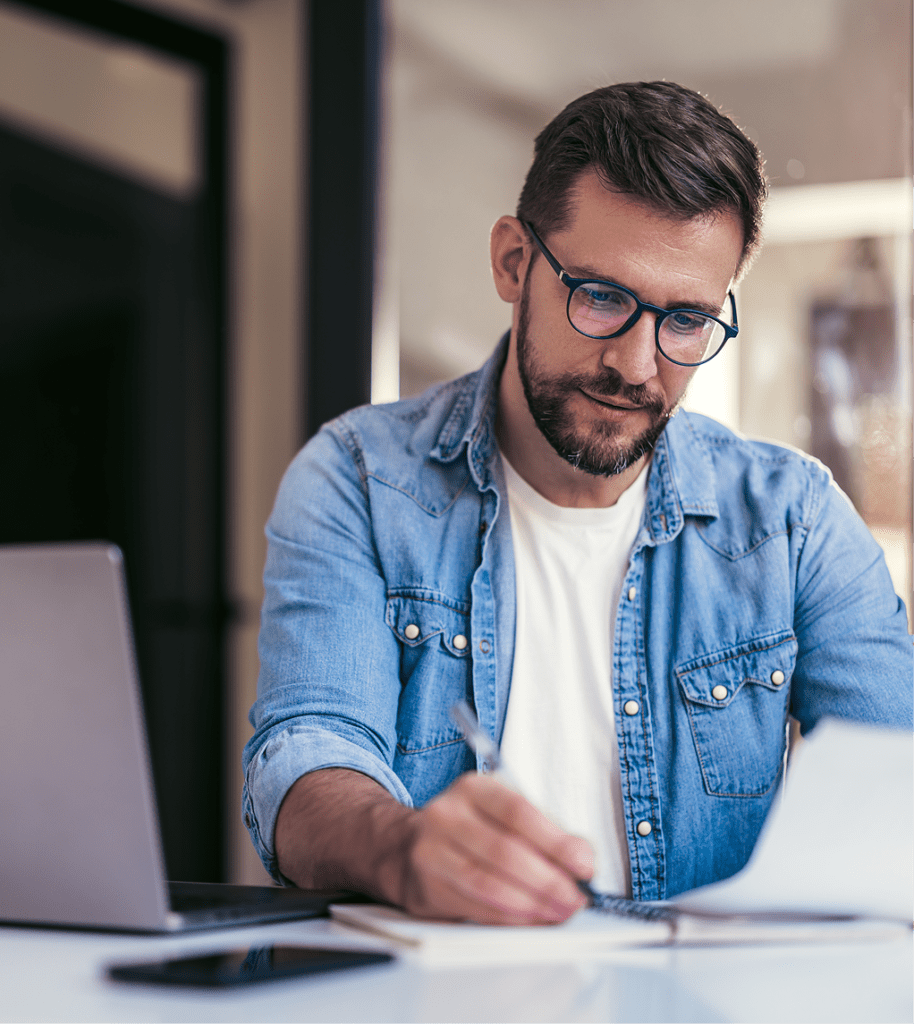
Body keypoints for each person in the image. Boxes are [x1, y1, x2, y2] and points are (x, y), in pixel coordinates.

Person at [242, 81, 913, 926]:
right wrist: (399, 848)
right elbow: (306, 757)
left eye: (686, 321)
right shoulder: (360, 480)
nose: (638, 365)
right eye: (601, 297)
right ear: (514, 262)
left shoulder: (793, 520)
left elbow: (899, 794)